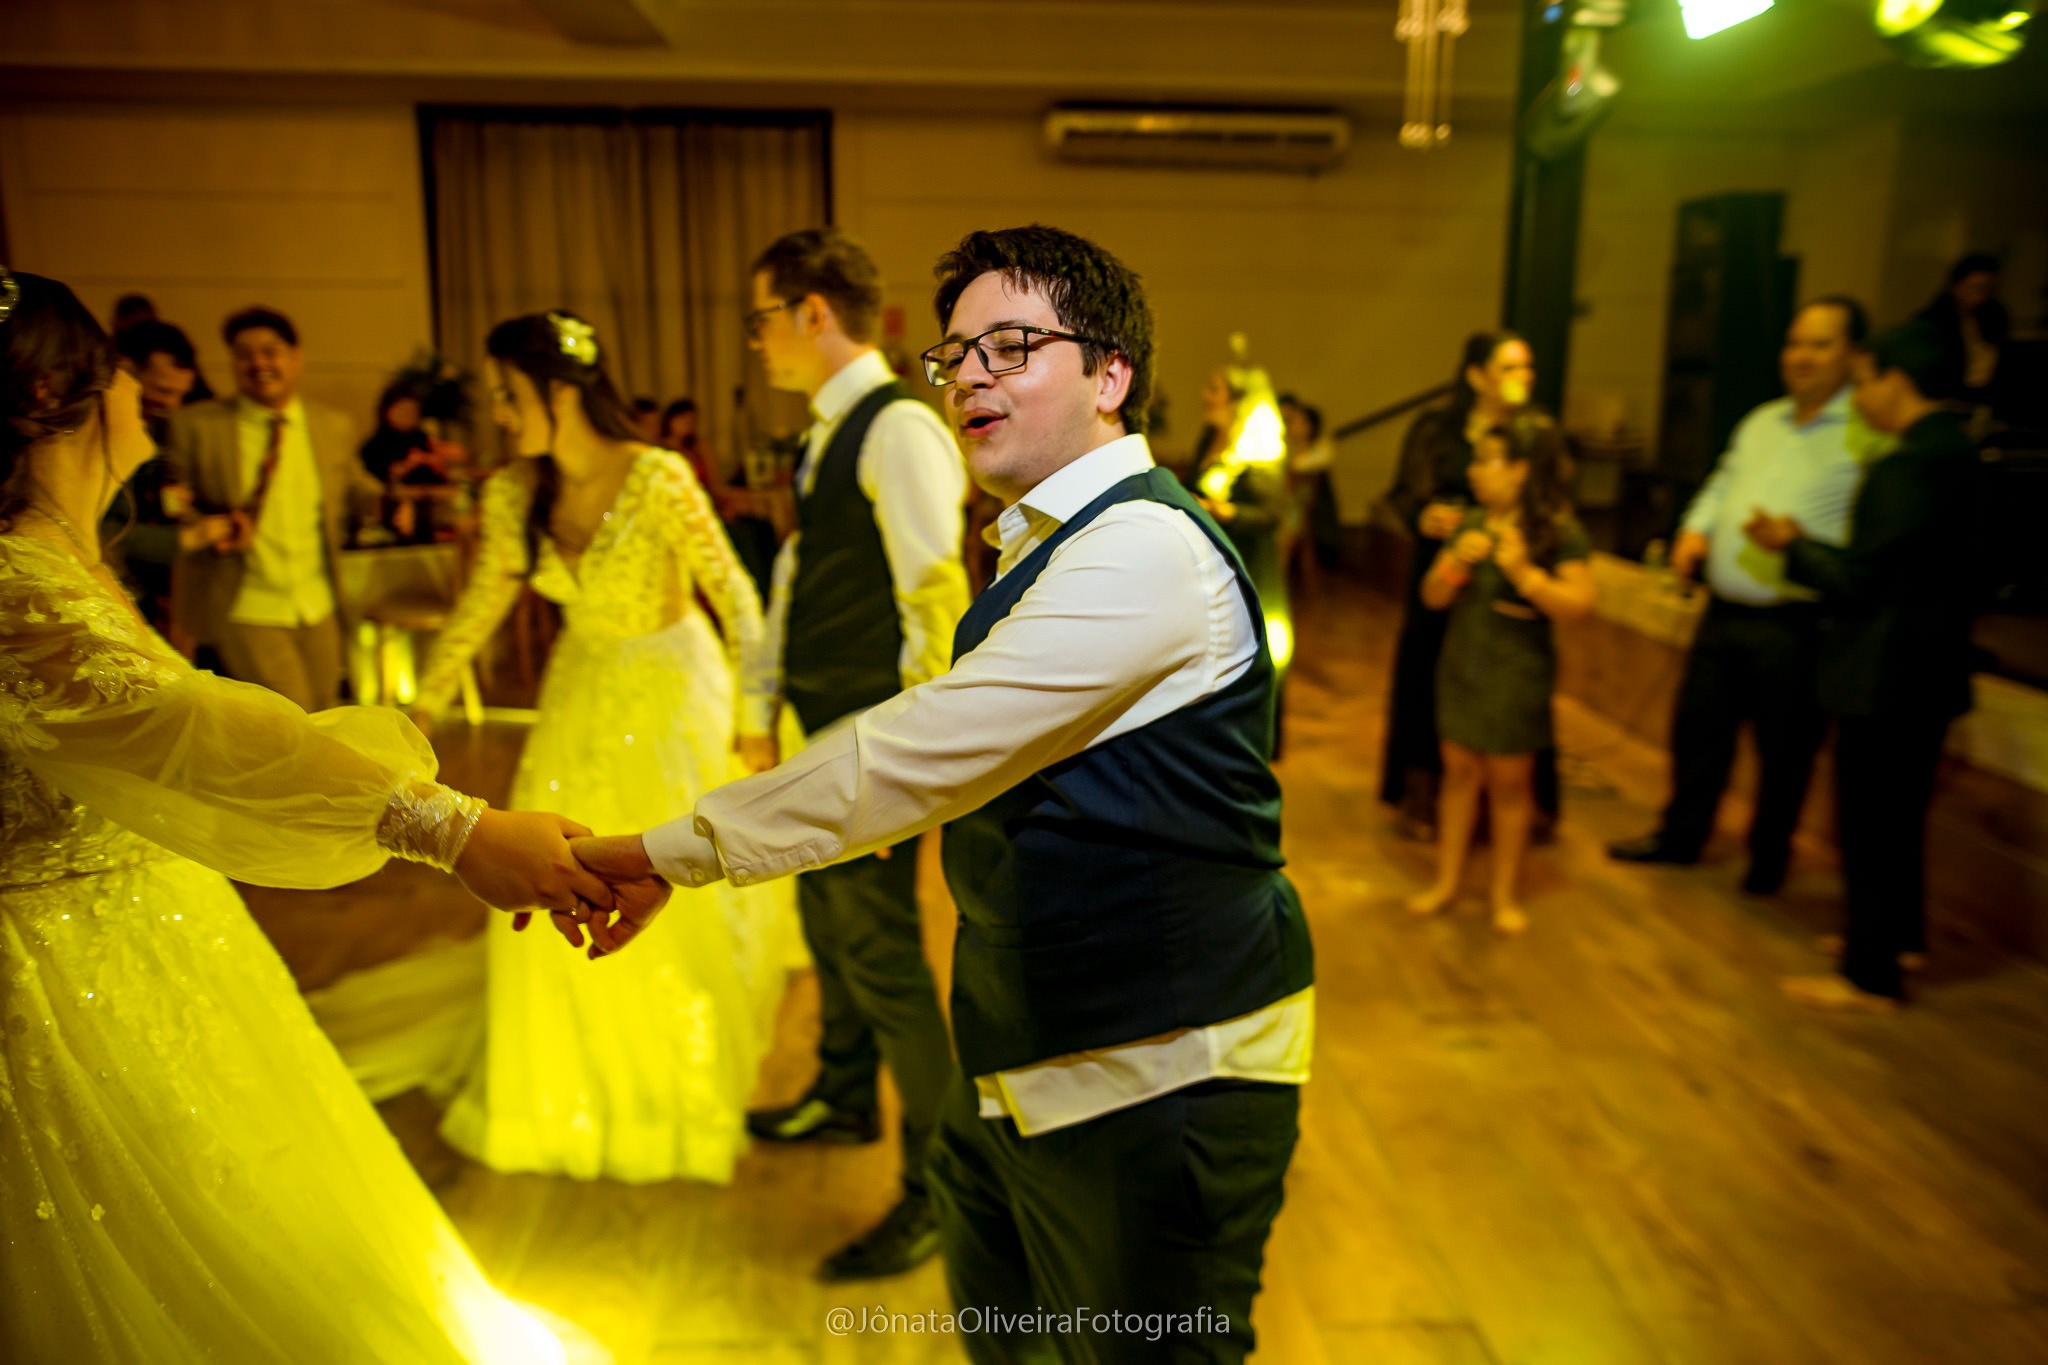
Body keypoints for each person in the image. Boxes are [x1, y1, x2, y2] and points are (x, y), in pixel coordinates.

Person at [572, 225, 1314, 1365]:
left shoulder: (1146, 551)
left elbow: (923, 745)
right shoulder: (1040, 542)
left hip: (1155, 1083)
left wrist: (659, 851)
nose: (968, 372)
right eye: (955, 352)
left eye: (1011, 346)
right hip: (1021, 1063)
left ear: (1112, 376)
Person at [0, 266, 658, 1363]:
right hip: (61, 975)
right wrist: (455, 828)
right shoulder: (21, 580)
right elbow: (195, 727)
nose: (147, 395)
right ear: (71, 400)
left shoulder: (53, 551)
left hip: (151, 930)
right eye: (124, 375)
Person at [393, 311, 792, 1184]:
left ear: (559, 392)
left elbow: (740, 595)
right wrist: (417, 703)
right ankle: (573, 1064)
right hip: (581, 687)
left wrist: (755, 714)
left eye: (508, 394)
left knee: (677, 866)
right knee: (558, 863)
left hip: (676, 686)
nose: (498, 412)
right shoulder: (511, 493)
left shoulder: (656, 476)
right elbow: (481, 606)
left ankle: (678, 1060)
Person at [732, 228, 969, 1281]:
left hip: (876, 739)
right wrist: (762, 697)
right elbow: (801, 570)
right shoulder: (826, 431)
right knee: (825, 925)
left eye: (761, 319)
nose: (757, 343)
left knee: (882, 955)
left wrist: (911, 777)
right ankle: (840, 1093)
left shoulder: (898, 427)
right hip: (822, 724)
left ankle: (941, 1188)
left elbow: (935, 599)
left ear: (812, 312)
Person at [1746, 322, 1978, 1012]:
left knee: (1873, 823)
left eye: (1867, 379)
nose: (1861, 394)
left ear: (1897, 382)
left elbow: (1860, 581)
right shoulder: (1962, 455)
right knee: (1900, 819)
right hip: (1930, 669)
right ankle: (1896, 938)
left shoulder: (1907, 465)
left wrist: (1794, 543)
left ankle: (1870, 973)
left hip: (1884, 674)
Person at [1609, 298, 1872, 894]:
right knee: (1697, 732)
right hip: (1724, 613)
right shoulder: (1761, 421)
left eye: (1820, 345)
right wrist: (1695, 529)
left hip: (1797, 621)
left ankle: (1768, 860)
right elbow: (1721, 482)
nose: (1801, 357)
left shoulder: (1865, 435)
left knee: (1784, 752)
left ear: (1855, 356)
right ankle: (1680, 838)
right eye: (1794, 343)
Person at [1407, 413, 1594, 934]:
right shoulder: (1469, 524)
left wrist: (1526, 576)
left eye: (1487, 461)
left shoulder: (1558, 530)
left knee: (1511, 785)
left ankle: (1503, 893)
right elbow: (1432, 596)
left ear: (1521, 471)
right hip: (1463, 664)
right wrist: (1453, 566)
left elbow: (1579, 605)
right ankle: (1447, 882)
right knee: (1459, 775)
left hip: (1517, 675)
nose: (1474, 471)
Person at [1380, 331, 1561, 835]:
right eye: (1508, 369)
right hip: (1443, 565)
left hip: (1506, 569)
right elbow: (1401, 494)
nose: (1521, 379)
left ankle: (1513, 805)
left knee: (1507, 676)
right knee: (1432, 672)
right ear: (1477, 376)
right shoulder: (1439, 429)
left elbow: (1554, 497)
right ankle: (1430, 797)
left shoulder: (1534, 434)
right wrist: (1426, 515)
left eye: (1527, 369)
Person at [162, 306, 384, 710]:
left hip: (319, 600)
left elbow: (354, 485)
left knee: (328, 712)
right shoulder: (196, 427)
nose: (258, 363)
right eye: (244, 353)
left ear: (296, 357)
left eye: (270, 351)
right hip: (247, 602)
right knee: (294, 720)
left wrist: (386, 501)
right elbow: (172, 505)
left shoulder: (331, 425)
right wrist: (207, 527)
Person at [1194, 352, 1293, 751]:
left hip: (1251, 563)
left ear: (1236, 400)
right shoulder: (1208, 436)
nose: (1205, 395)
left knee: (1253, 648)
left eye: (1214, 389)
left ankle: (1252, 739)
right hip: (1211, 563)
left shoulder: (1260, 446)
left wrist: (1225, 511)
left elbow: (1270, 514)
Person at [106, 320, 226, 629]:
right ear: (126, 369)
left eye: (180, 395)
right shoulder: (92, 435)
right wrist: (187, 538)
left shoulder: (158, 427)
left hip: (155, 594)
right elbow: (102, 531)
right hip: (111, 596)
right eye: (162, 390)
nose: (172, 405)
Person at [1917, 252, 2008, 416]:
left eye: (1986, 289)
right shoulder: (1935, 320)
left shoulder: (1994, 317)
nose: (1979, 295)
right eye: (1974, 287)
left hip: (1983, 396)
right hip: (1948, 399)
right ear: (1956, 286)